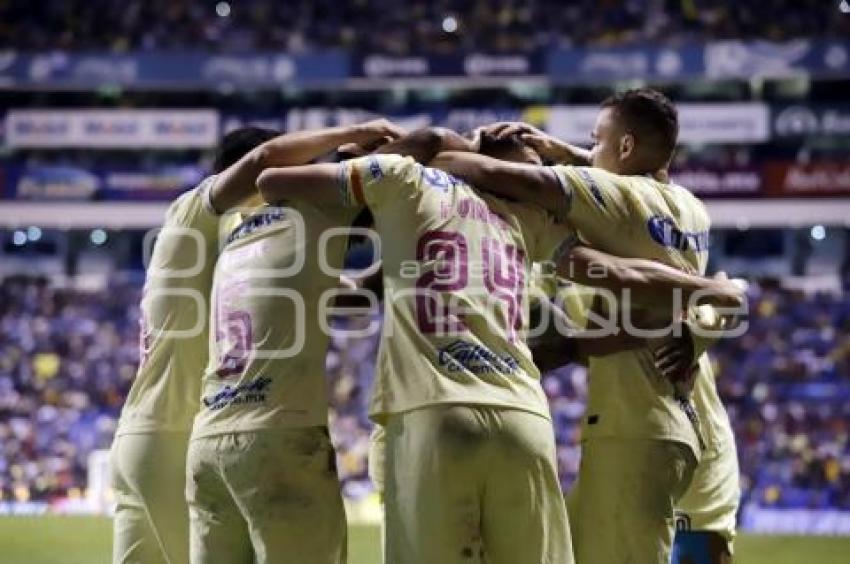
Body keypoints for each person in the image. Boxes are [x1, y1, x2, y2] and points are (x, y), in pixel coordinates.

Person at [429, 88, 742, 564]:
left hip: (634, 428)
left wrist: (451, 155)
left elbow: (519, 180)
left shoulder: (610, 204)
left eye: (595, 141)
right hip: (691, 426)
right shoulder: (688, 205)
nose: (583, 153)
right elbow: (634, 175)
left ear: (626, 147)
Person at [258, 144, 575, 564]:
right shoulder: (529, 218)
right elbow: (597, 275)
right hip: (522, 414)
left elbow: (272, 181)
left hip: (430, 410)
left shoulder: (405, 179)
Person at [111, 120, 403, 564]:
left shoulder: (234, 245)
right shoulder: (196, 210)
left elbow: (348, 293)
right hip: (178, 432)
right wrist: (358, 135)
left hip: (140, 434)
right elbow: (263, 162)